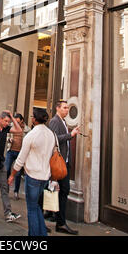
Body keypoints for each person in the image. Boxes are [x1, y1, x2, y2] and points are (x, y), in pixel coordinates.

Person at [8, 107, 55, 236]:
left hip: (33, 176)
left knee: (32, 209)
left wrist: (12, 175)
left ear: (34, 119)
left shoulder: (31, 135)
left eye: (32, 117)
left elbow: (20, 159)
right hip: (45, 177)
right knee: (37, 207)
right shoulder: (51, 134)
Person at [48, 99, 80, 235]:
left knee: (60, 190)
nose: (67, 110)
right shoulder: (55, 121)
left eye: (68, 108)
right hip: (58, 163)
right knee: (60, 190)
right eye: (64, 108)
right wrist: (70, 135)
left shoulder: (63, 121)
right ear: (57, 108)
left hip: (63, 163)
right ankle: (58, 221)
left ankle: (57, 218)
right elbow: (54, 139)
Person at [0, 110, 22, 222]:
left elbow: (19, 130)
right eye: (5, 121)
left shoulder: (6, 129)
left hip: (0, 162)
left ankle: (8, 213)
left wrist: (11, 116)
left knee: (4, 187)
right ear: (0, 119)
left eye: (8, 121)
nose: (7, 123)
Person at [5, 113, 30, 200]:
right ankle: (6, 190)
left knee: (18, 173)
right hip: (10, 151)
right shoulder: (10, 126)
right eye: (15, 121)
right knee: (7, 169)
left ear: (22, 120)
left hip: (20, 153)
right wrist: (9, 139)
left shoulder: (27, 130)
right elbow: (7, 136)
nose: (16, 123)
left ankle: (16, 191)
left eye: (18, 121)